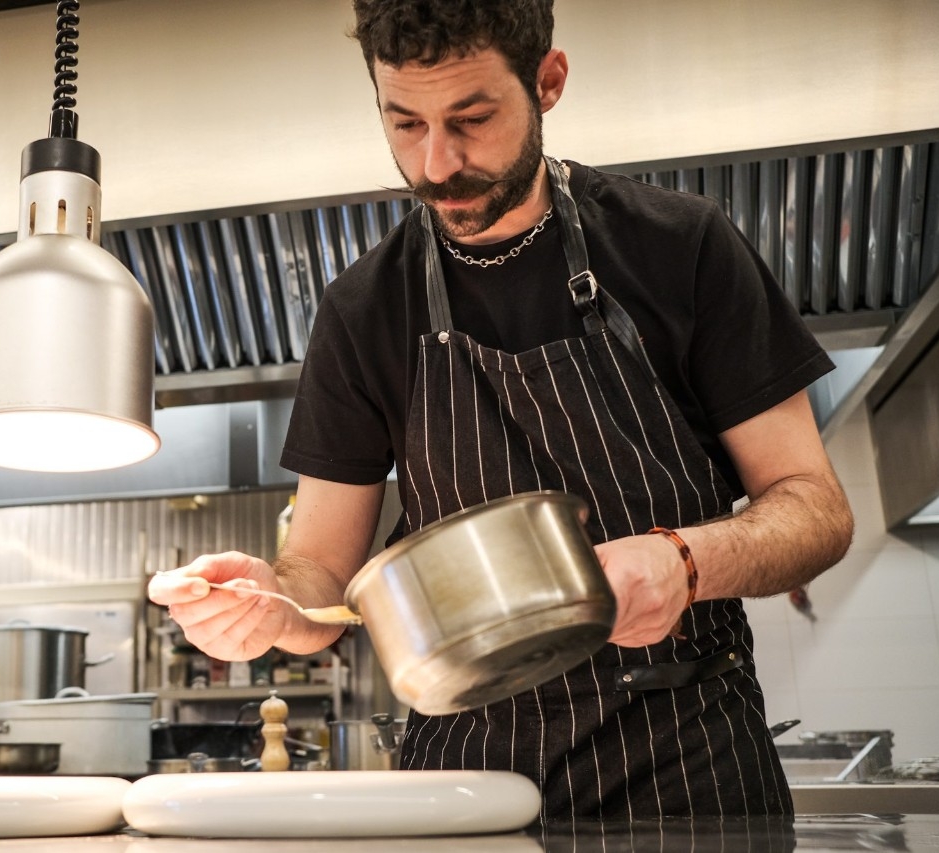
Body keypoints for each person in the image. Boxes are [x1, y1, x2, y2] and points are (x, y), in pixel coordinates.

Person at [149, 0, 853, 819]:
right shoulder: (363, 309)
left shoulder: (679, 244)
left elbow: (815, 509)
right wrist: (269, 606)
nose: (436, 163)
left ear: (547, 81)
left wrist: (686, 560)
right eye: (404, 123)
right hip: (466, 776)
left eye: (471, 118)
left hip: (688, 760)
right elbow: (321, 583)